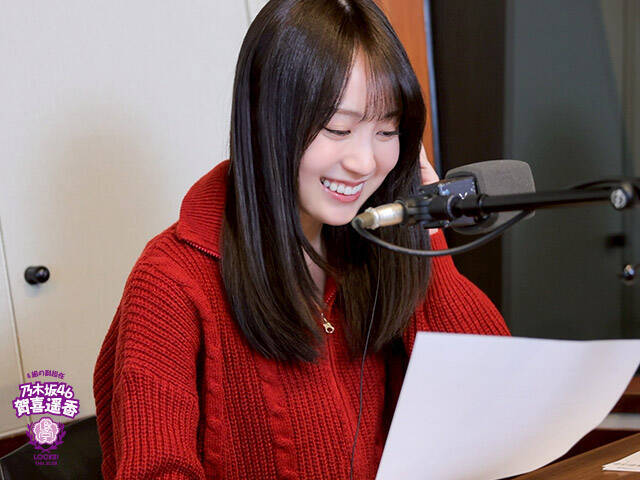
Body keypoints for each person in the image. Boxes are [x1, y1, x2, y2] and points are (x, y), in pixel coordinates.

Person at [93, 0, 509, 478]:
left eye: (387, 130)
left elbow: (494, 400)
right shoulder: (170, 282)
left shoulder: (376, 243)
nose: (364, 162)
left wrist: (424, 229)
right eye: (338, 128)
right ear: (266, 120)